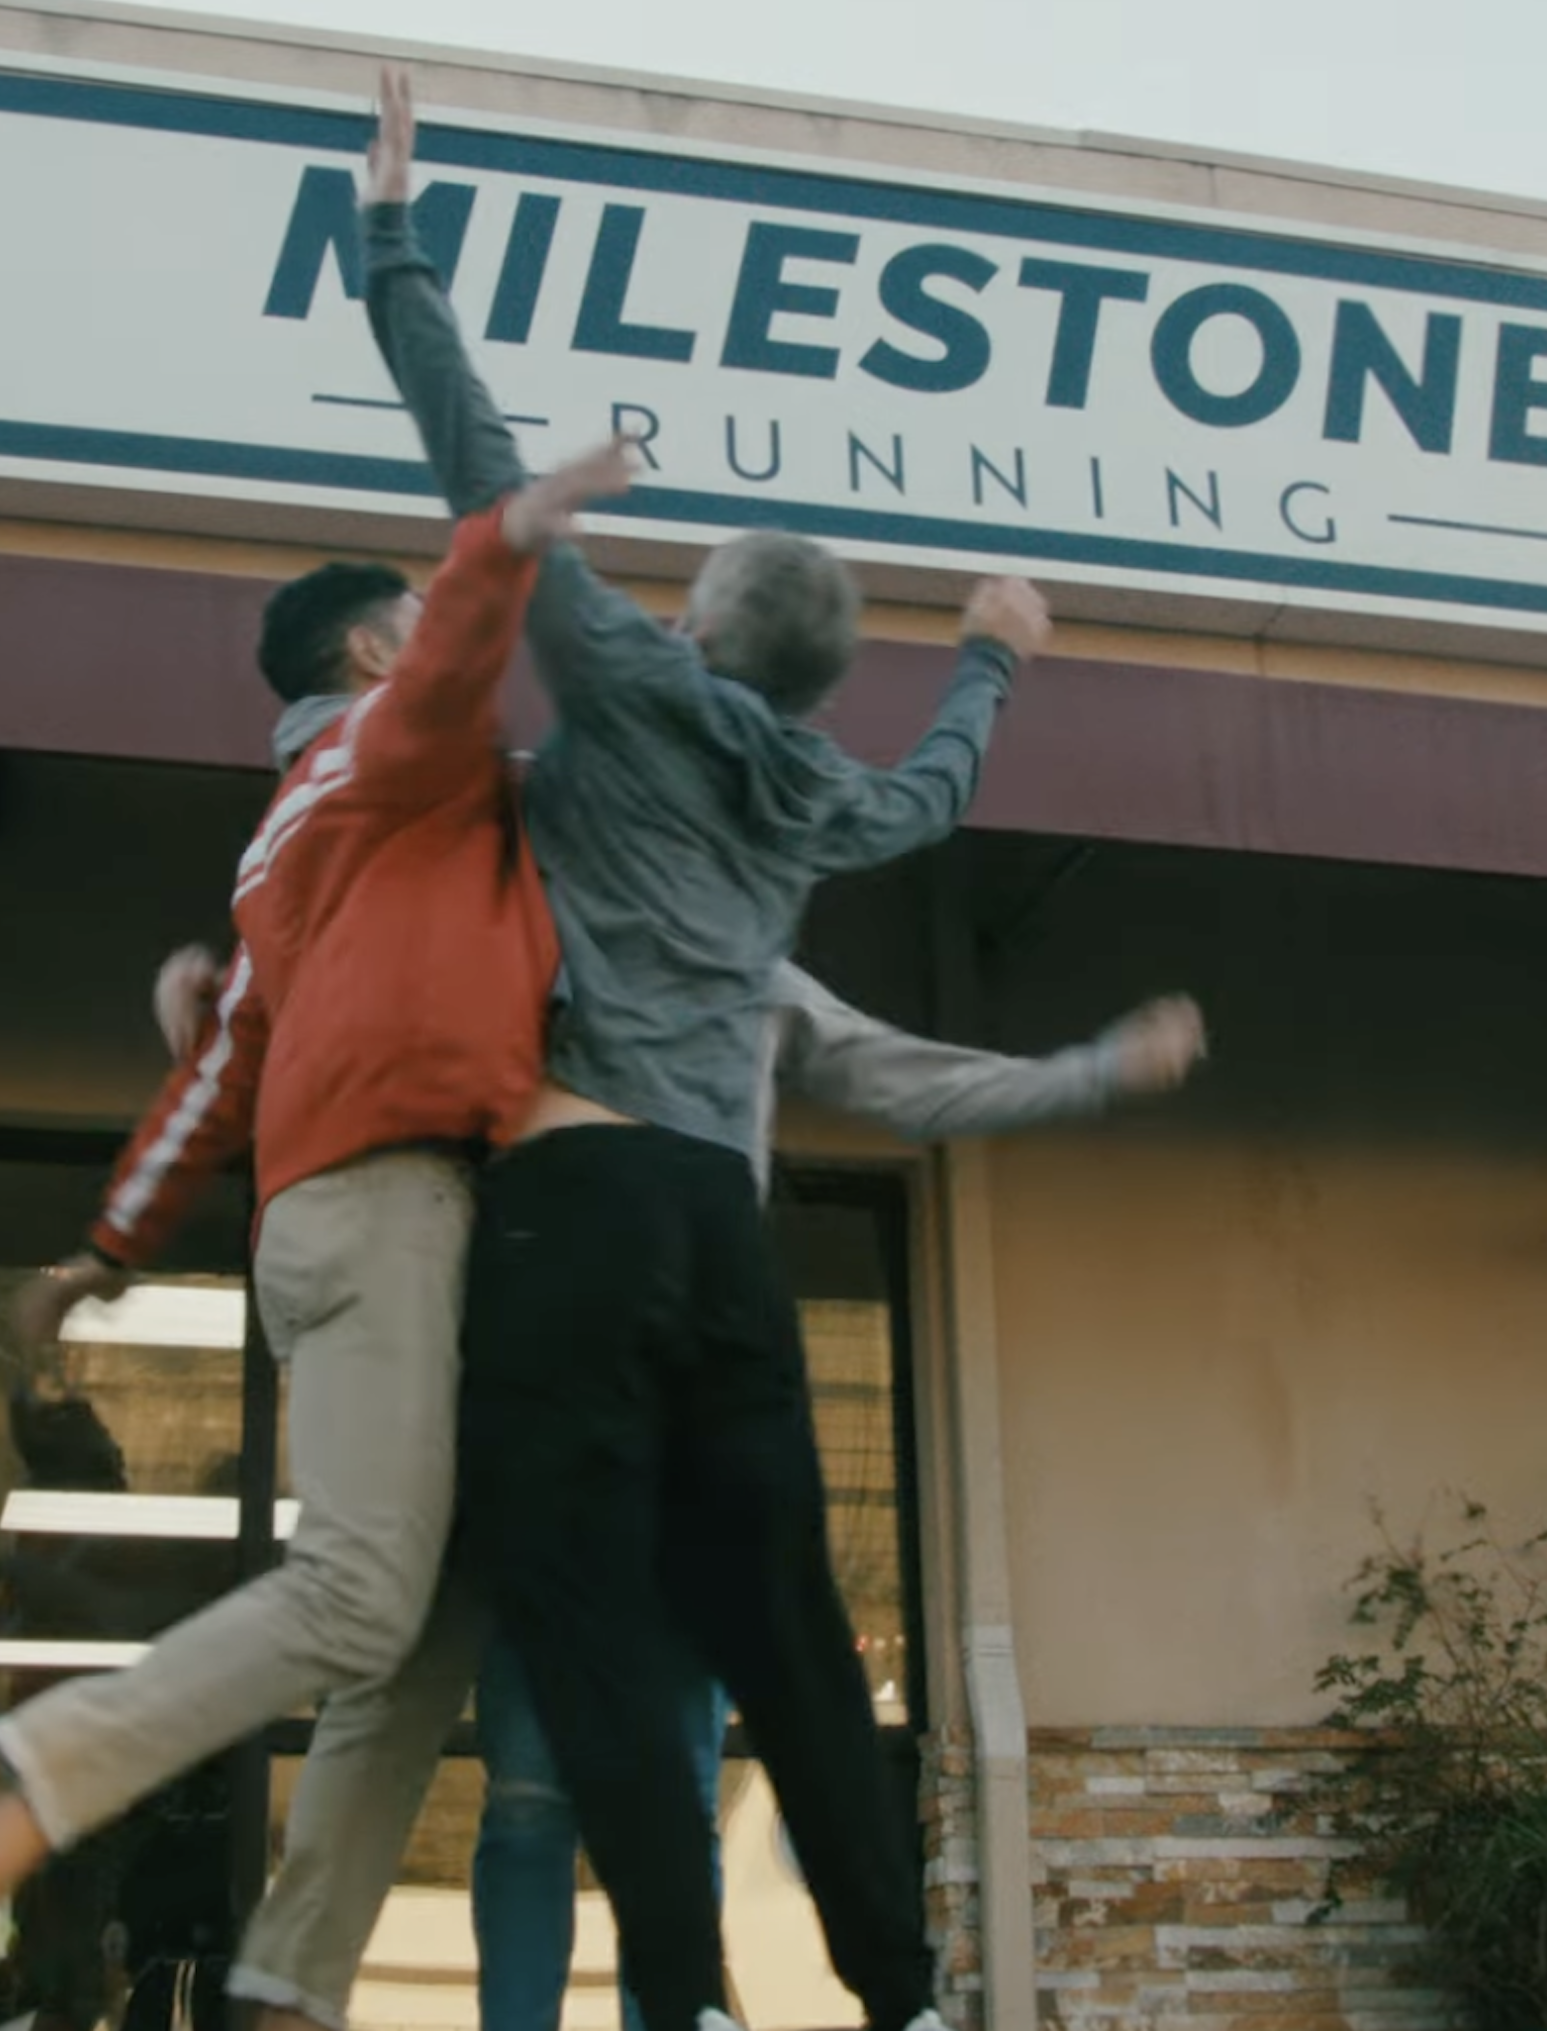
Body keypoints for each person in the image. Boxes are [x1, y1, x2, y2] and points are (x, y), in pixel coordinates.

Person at [361, 67, 1049, 2031]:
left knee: (579, 1615)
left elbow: (471, 451)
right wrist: (994, 649)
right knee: (795, 1638)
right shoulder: (820, 788)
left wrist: (394, 226)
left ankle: (674, 1993)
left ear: (699, 612)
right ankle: (904, 1990)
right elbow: (924, 798)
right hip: (729, 1239)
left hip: (577, 1198)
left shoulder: (634, 673)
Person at [0, 442, 640, 2031]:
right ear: (370, 654)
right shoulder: (388, 747)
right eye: (414, 621)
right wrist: (512, 530)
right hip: (391, 1198)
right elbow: (447, 681)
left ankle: (286, 1982)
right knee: (359, 1597)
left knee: (416, 1635)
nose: (439, 646)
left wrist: (114, 1238)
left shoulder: (301, 825)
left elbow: (229, 1059)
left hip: (379, 1209)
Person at [150, 952, 1207, 2031]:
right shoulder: (536, 949)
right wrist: (225, 1024)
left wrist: (1093, 1070)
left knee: (679, 1784)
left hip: (694, 1403)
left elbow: (908, 1077)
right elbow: (369, 1025)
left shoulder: (747, 972)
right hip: (543, 1388)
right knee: (528, 1792)